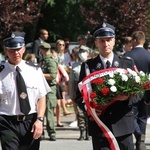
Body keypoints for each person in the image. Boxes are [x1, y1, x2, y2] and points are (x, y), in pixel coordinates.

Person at [74, 22, 143, 150]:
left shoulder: (126, 63)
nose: (105, 44)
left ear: (114, 41)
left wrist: (127, 98)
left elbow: (139, 93)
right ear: (96, 42)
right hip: (100, 126)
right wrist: (91, 110)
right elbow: (79, 96)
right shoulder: (88, 66)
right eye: (102, 41)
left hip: (123, 125)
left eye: (108, 40)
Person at [0, 31, 51, 150]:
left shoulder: (35, 70)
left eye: (18, 49)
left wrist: (40, 119)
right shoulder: (1, 72)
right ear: (6, 50)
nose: (16, 53)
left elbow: (41, 97)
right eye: (11, 50)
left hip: (30, 121)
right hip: (7, 122)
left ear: (23, 49)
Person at [124, 31, 150, 150]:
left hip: (131, 92)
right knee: (143, 117)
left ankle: (139, 136)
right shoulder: (148, 55)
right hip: (146, 91)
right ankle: (141, 139)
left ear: (134, 41)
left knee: (132, 116)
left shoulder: (127, 56)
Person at [69, 46, 90, 140]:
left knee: (89, 112)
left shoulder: (91, 64)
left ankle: (88, 133)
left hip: (89, 90)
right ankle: (82, 132)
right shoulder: (75, 65)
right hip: (78, 90)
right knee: (80, 112)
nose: (82, 54)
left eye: (84, 52)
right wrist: (71, 93)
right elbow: (71, 81)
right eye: (81, 52)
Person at [40, 42, 58, 141]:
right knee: (40, 111)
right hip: (42, 88)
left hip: (50, 88)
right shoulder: (43, 60)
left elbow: (52, 76)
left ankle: (52, 133)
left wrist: (39, 74)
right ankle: (41, 132)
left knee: (49, 111)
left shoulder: (50, 61)